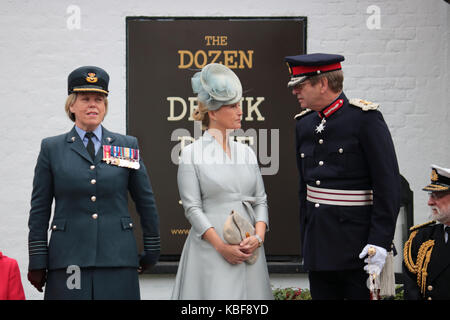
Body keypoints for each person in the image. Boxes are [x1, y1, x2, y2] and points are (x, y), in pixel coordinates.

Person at [27, 66, 160, 300]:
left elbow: (145, 201)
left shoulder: (124, 147)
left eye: (99, 99)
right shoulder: (52, 149)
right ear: (71, 105)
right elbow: (39, 209)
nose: (93, 105)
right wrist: (38, 259)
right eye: (85, 99)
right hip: (69, 260)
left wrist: (152, 248)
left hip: (118, 259)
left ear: (105, 106)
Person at [285, 53, 400, 299]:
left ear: (323, 83)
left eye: (300, 85)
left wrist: (379, 242)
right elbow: (304, 189)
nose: (295, 92)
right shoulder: (303, 124)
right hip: (318, 246)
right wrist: (306, 240)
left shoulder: (364, 120)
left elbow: (387, 186)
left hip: (358, 248)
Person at [171, 63, 273, 299]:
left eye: (240, 105)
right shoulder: (191, 153)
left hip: (250, 252)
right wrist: (222, 248)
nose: (240, 111)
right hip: (210, 251)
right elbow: (192, 208)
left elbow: (260, 201)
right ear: (213, 112)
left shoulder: (246, 152)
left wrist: (258, 238)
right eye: (232, 106)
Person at [403, 165, 450, 300]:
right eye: (430, 195)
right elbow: (411, 291)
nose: (430, 202)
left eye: (437, 196)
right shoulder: (421, 238)